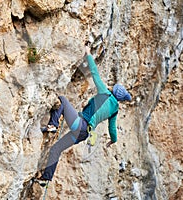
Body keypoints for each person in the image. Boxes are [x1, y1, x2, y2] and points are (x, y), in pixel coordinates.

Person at [38, 45, 132, 184]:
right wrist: (113, 141)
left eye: (114, 87)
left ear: (114, 91)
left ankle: (53, 125)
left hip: (80, 124)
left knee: (63, 101)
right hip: (84, 133)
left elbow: (94, 73)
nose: (111, 86)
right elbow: (112, 129)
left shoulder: (105, 92)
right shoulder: (115, 110)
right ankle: (46, 178)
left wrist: (88, 54)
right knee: (56, 149)